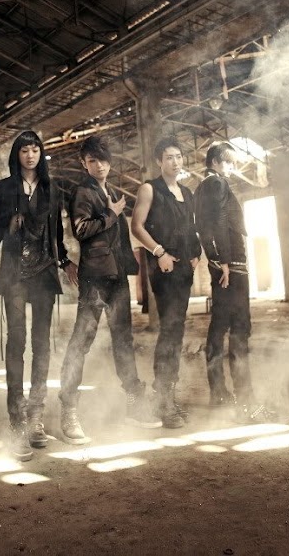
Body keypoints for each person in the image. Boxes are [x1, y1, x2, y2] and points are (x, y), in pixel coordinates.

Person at [0, 130, 77, 461]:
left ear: (40, 154)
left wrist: (66, 262)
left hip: (45, 272)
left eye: (35, 150)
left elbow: (57, 234)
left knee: (42, 344)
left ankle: (36, 418)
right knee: (16, 341)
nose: (30, 155)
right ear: (16, 155)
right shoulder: (6, 187)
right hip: (15, 273)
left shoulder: (52, 188)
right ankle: (17, 421)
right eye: (24, 150)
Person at [59, 135, 160, 445]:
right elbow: (81, 229)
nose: (99, 165)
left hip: (116, 278)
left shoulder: (111, 192)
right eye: (92, 160)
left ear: (110, 162)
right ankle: (68, 410)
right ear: (84, 164)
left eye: (102, 160)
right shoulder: (82, 191)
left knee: (123, 342)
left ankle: (134, 403)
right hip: (95, 279)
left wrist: (129, 265)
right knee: (81, 342)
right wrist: (112, 214)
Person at [193, 141, 274, 420]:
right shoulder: (216, 183)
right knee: (240, 328)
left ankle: (219, 393)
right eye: (228, 162)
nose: (231, 167)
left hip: (223, 265)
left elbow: (203, 228)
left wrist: (217, 261)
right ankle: (247, 401)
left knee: (219, 327)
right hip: (232, 267)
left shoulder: (202, 186)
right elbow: (216, 223)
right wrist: (225, 262)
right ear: (215, 161)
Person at [131, 136, 202, 428]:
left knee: (177, 330)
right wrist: (159, 252)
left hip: (184, 267)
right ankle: (163, 399)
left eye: (178, 156)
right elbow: (137, 227)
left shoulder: (187, 192)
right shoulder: (150, 189)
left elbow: (191, 227)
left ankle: (168, 396)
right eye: (169, 157)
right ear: (159, 161)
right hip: (163, 266)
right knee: (170, 331)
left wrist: (196, 254)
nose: (175, 162)